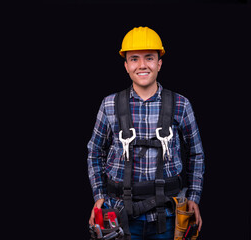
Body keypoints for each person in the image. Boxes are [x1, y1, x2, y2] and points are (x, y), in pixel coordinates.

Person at [87, 26, 205, 240]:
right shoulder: (109, 105)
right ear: (126, 66)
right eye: (134, 59)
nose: (142, 65)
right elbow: (94, 152)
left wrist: (194, 197)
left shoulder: (181, 104)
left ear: (159, 63)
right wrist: (99, 196)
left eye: (149, 58)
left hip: (168, 214)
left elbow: (196, 154)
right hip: (119, 216)